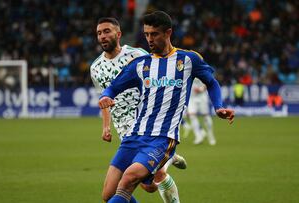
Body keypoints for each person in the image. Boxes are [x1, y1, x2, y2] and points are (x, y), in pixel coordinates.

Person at [98, 11, 235, 203]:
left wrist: (218, 107)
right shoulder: (140, 64)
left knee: (129, 177)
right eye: (146, 34)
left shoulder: (188, 59)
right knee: (108, 194)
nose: (149, 39)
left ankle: (169, 158)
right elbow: (112, 87)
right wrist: (105, 96)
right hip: (134, 135)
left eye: (154, 34)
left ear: (168, 33)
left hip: (163, 138)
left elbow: (211, 83)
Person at [91, 17, 186, 203]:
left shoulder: (137, 55)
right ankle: (168, 159)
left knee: (150, 183)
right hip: (124, 131)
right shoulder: (95, 68)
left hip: (146, 128)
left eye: (107, 31)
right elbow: (104, 98)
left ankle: (166, 158)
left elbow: (161, 75)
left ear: (118, 34)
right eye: (99, 33)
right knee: (109, 194)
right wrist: (106, 126)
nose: (102, 36)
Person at [187, 78, 216, 145]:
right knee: (192, 116)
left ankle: (211, 136)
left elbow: (209, 80)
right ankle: (198, 136)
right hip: (191, 97)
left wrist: (201, 89)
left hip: (202, 96)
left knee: (206, 116)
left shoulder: (202, 68)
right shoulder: (185, 69)